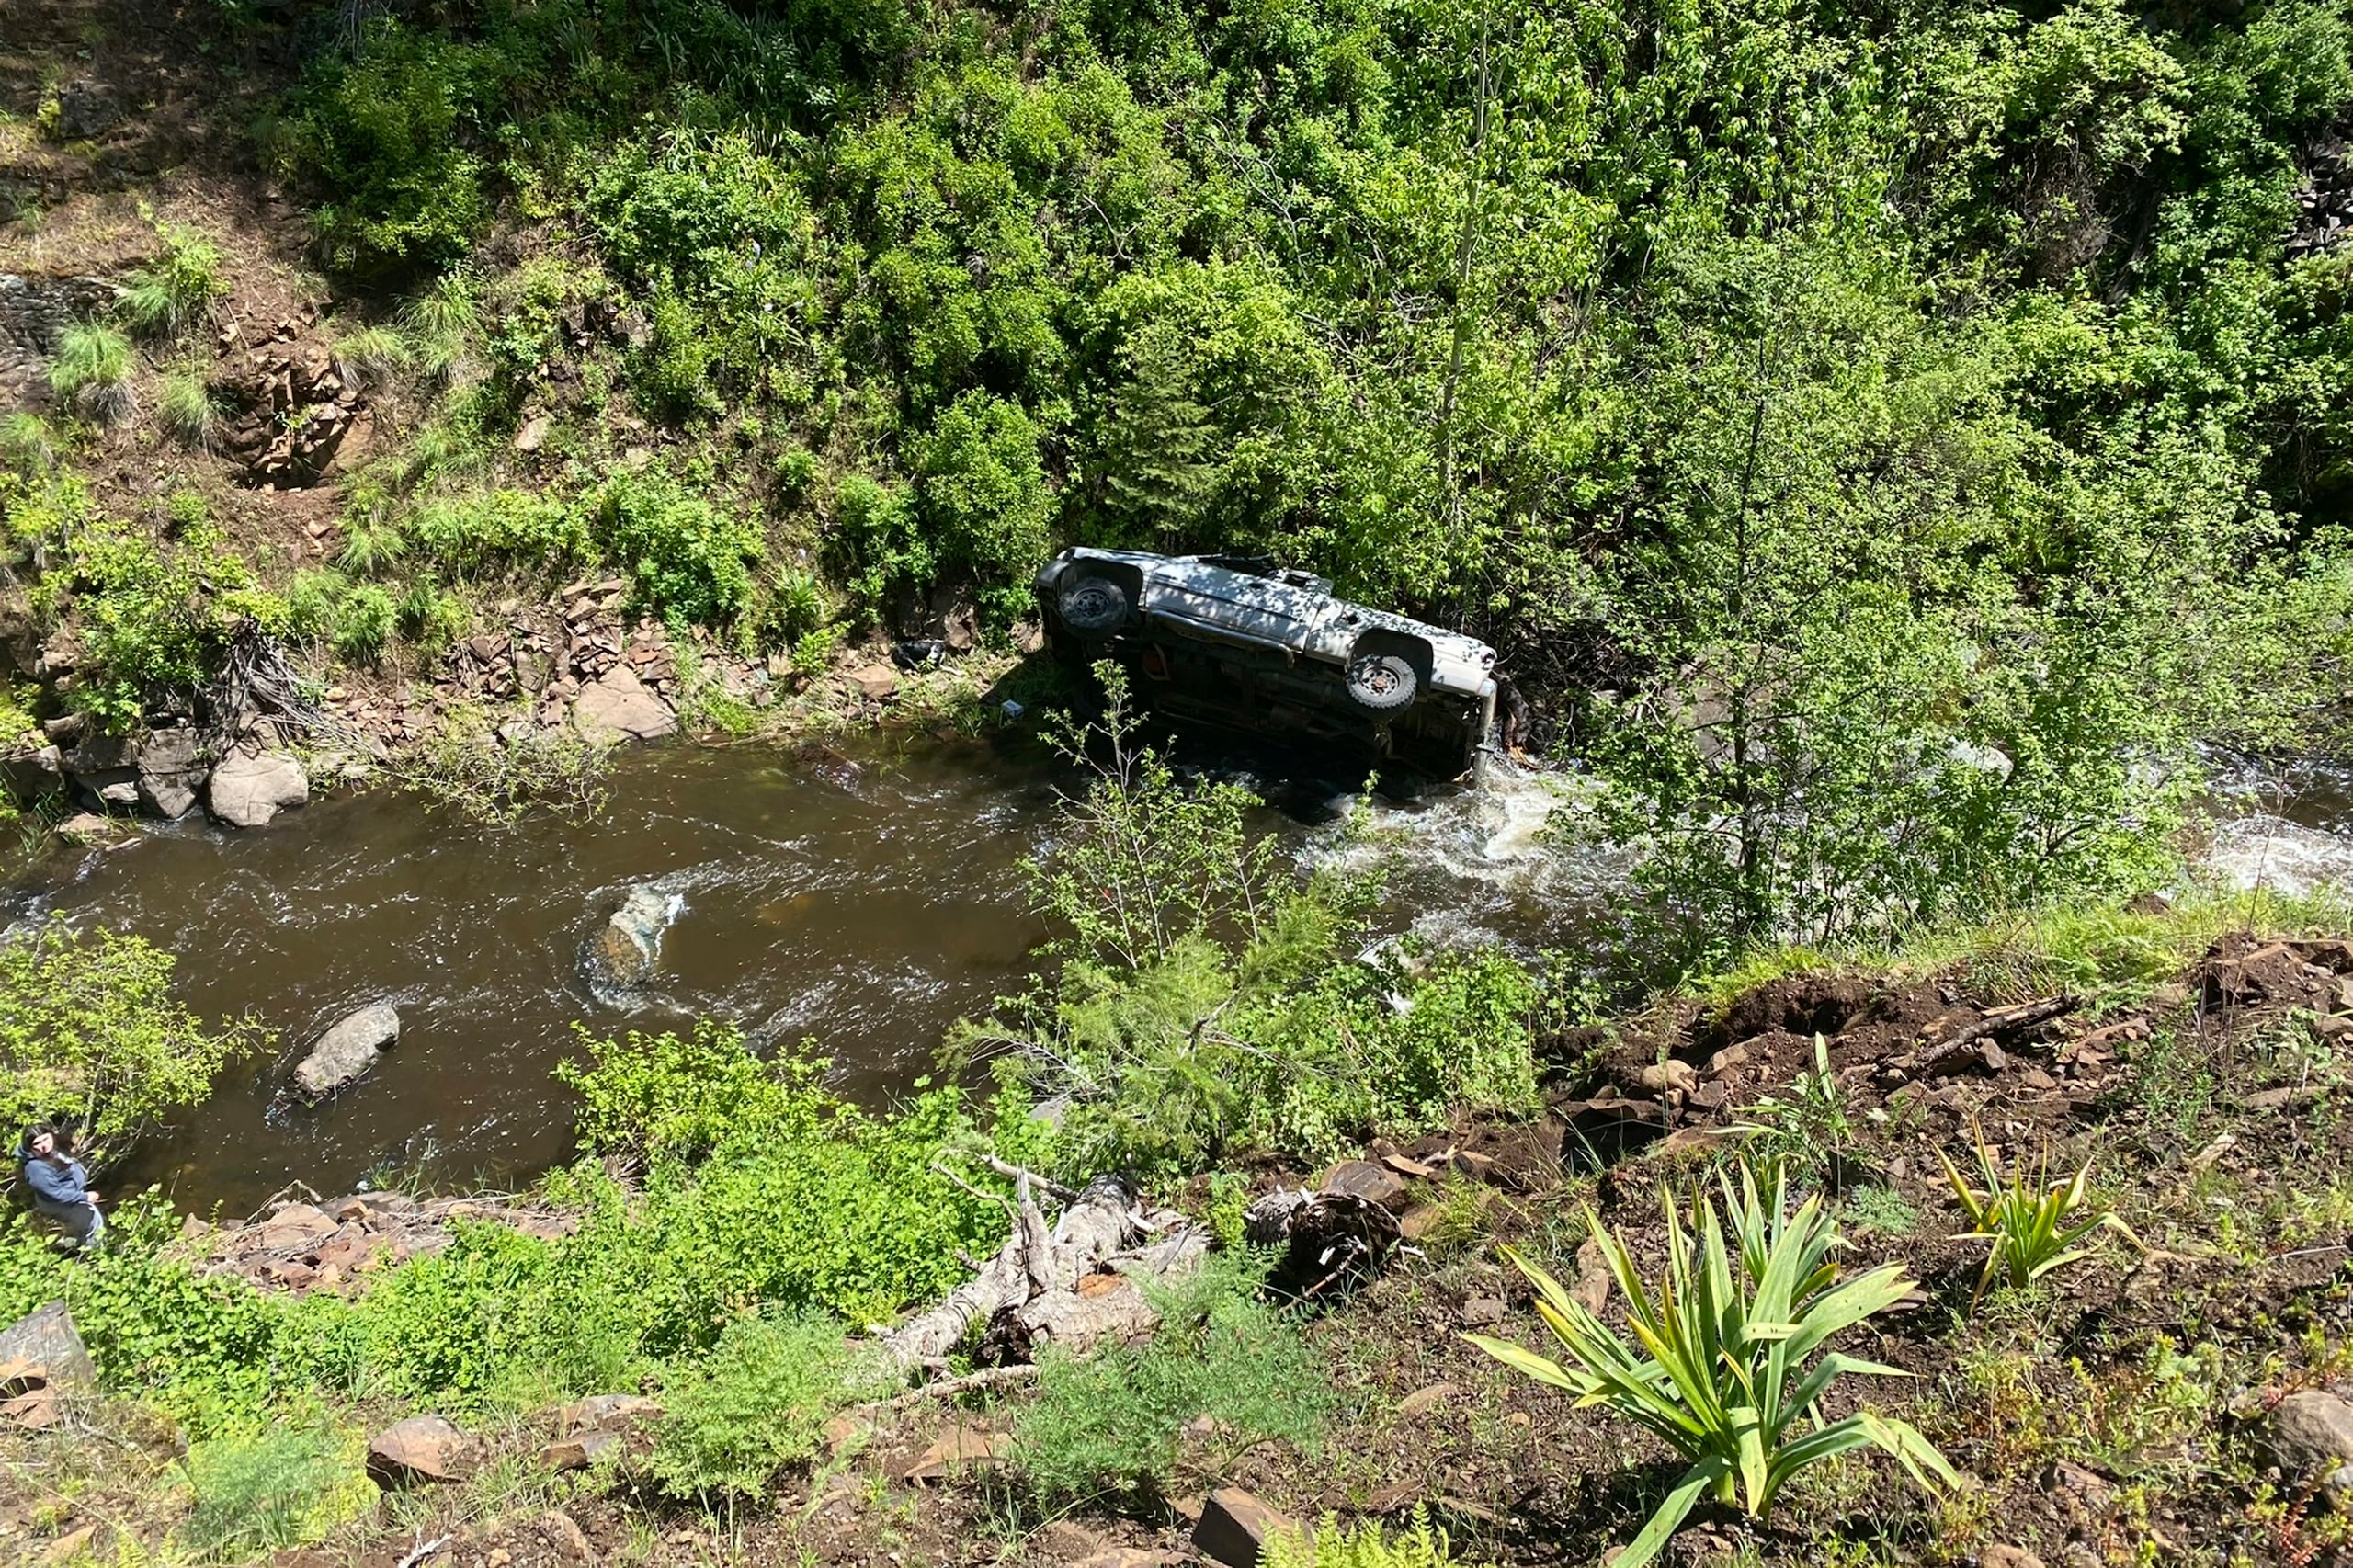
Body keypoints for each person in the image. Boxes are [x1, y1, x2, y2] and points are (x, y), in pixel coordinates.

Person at [16, 1123, 103, 1252]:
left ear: (51, 1135)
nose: (44, 1145)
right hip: (58, 1202)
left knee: (86, 1223)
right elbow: (54, 1194)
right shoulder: (36, 1167)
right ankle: (94, 1253)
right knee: (91, 1219)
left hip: (70, 1194)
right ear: (30, 1147)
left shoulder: (51, 1150)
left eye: (46, 1139)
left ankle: (72, 1243)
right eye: (37, 1143)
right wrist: (85, 1197)